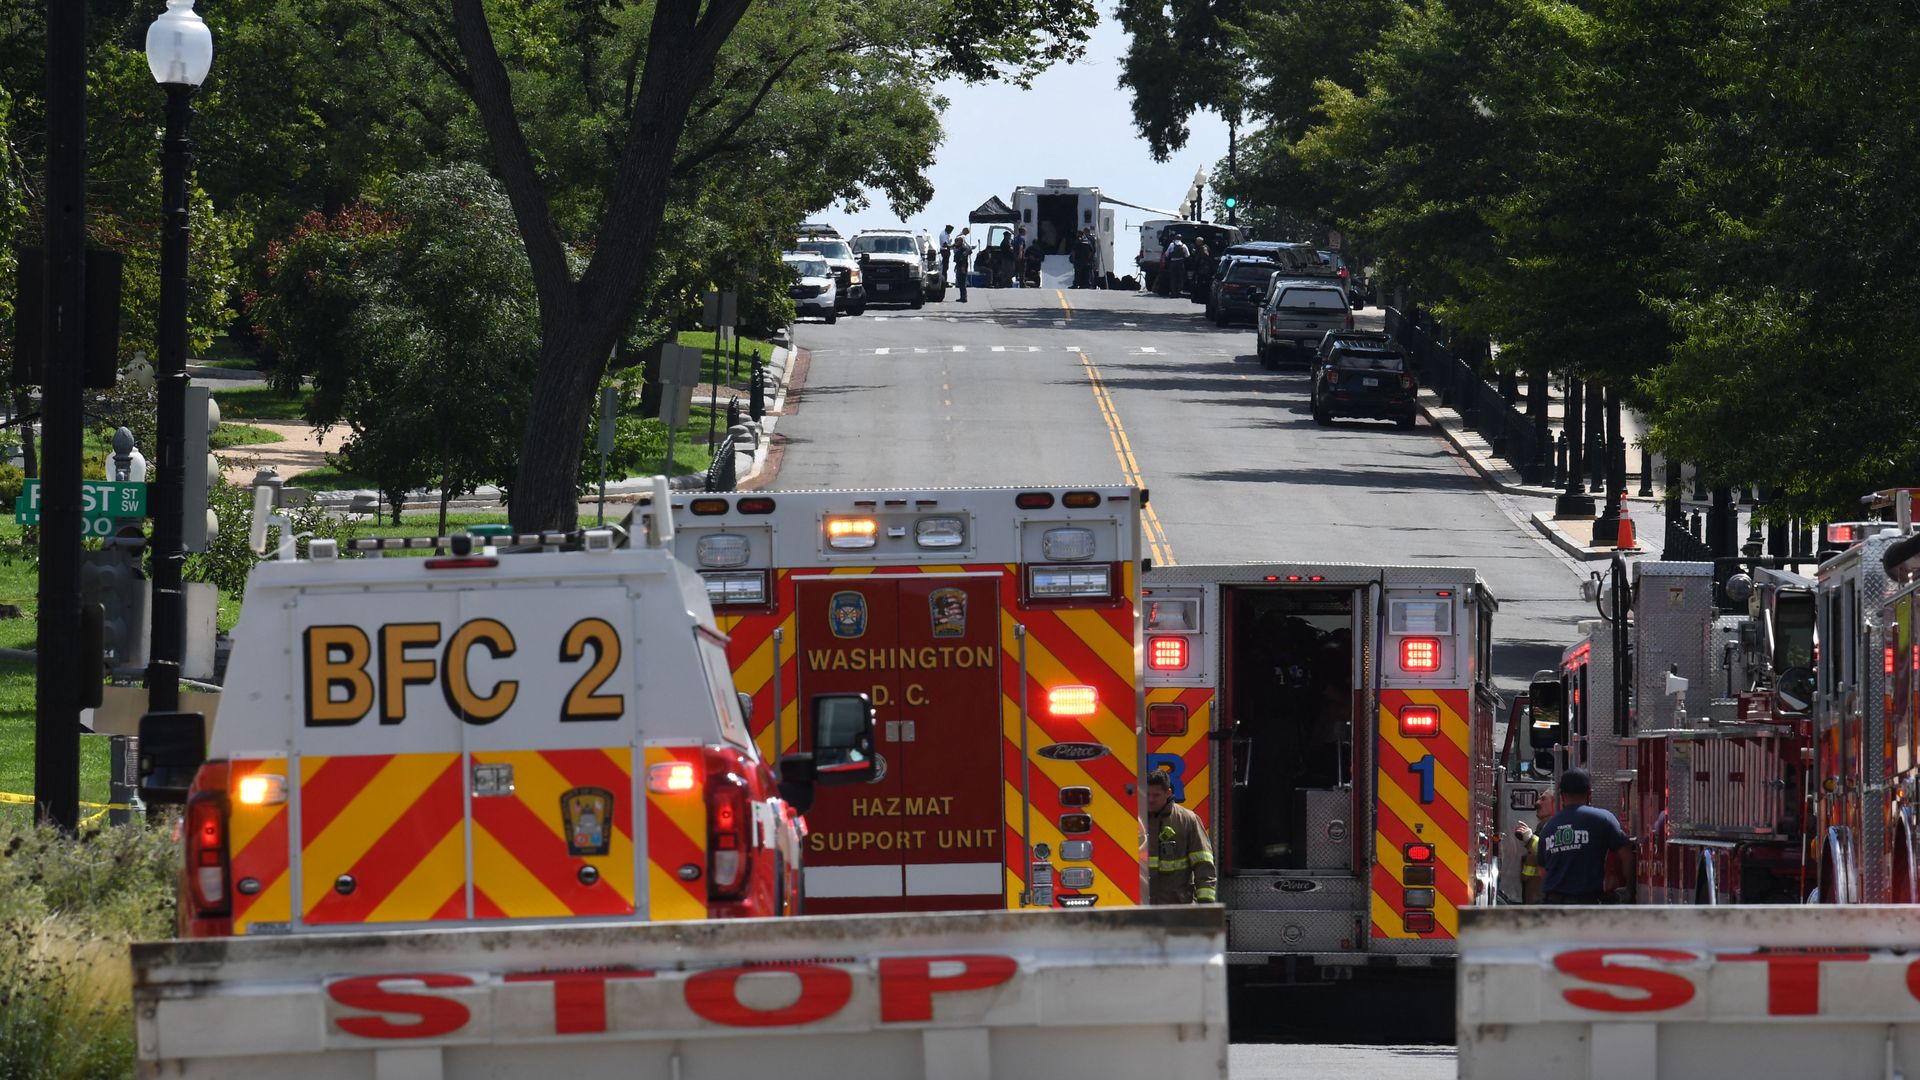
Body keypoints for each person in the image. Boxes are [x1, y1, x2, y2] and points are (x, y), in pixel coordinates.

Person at [1539, 769, 1632, 903]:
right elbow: (1626, 854)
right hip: (1588, 904)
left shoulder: (1548, 827)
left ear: (1561, 796)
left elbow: (1543, 871)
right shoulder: (1603, 819)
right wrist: (1629, 889)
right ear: (1589, 794)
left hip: (1554, 906)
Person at [1146, 771, 1216, 904]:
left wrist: (1205, 903)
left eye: (1156, 795)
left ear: (1168, 793)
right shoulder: (1133, 820)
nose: (1150, 799)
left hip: (1177, 907)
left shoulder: (1188, 820)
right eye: (1147, 794)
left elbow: (1203, 864)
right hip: (1140, 906)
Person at [1512, 790, 1557, 903]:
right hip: (1534, 895)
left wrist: (1530, 839)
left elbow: (1548, 851)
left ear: (1555, 804)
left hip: (1542, 896)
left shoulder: (1556, 826)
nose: (1537, 803)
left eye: (1543, 799)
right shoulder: (1543, 826)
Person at [951, 228, 971, 302]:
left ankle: (964, 297)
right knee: (960, 282)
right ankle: (962, 297)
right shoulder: (959, 248)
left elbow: (963, 258)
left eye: (957, 241)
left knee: (962, 282)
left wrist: (962, 267)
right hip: (959, 266)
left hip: (962, 266)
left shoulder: (963, 248)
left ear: (961, 242)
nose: (956, 242)